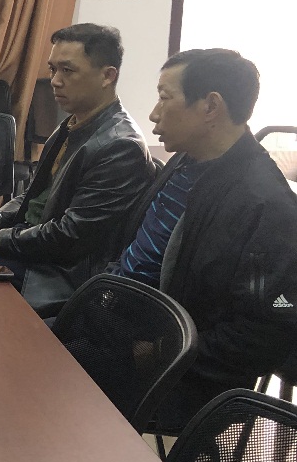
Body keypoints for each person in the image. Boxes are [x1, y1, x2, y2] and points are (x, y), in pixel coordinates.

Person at [106, 48, 297, 431]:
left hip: (168, 369)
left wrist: (158, 352)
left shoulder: (266, 205)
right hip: (118, 317)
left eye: (164, 97)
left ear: (211, 106)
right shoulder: (187, 160)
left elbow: (260, 335)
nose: (154, 114)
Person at [0, 24, 155, 315]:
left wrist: (2, 240)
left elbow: (70, 237)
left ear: (107, 75)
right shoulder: (72, 124)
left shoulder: (120, 146)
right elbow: (33, 195)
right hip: (30, 250)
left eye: (68, 71)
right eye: (52, 69)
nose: (55, 81)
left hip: (54, 275)